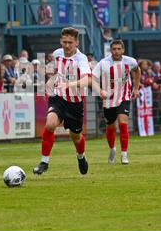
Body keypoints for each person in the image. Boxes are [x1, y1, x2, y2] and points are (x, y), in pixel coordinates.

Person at [33, 27, 91, 176]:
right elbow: (58, 72)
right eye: (64, 42)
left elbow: (86, 80)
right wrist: (51, 79)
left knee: (75, 137)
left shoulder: (81, 59)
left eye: (70, 42)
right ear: (60, 41)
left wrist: (69, 84)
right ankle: (44, 162)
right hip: (58, 98)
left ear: (76, 42)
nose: (66, 45)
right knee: (50, 124)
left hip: (75, 103)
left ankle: (81, 157)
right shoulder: (57, 54)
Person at [92, 40, 141, 164]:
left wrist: (136, 88)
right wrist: (100, 91)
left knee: (123, 122)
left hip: (124, 96)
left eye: (119, 49)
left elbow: (137, 70)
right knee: (110, 125)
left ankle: (124, 154)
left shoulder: (130, 61)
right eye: (114, 49)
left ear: (123, 50)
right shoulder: (103, 63)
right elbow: (92, 78)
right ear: (111, 50)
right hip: (108, 99)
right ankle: (112, 149)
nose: (117, 51)